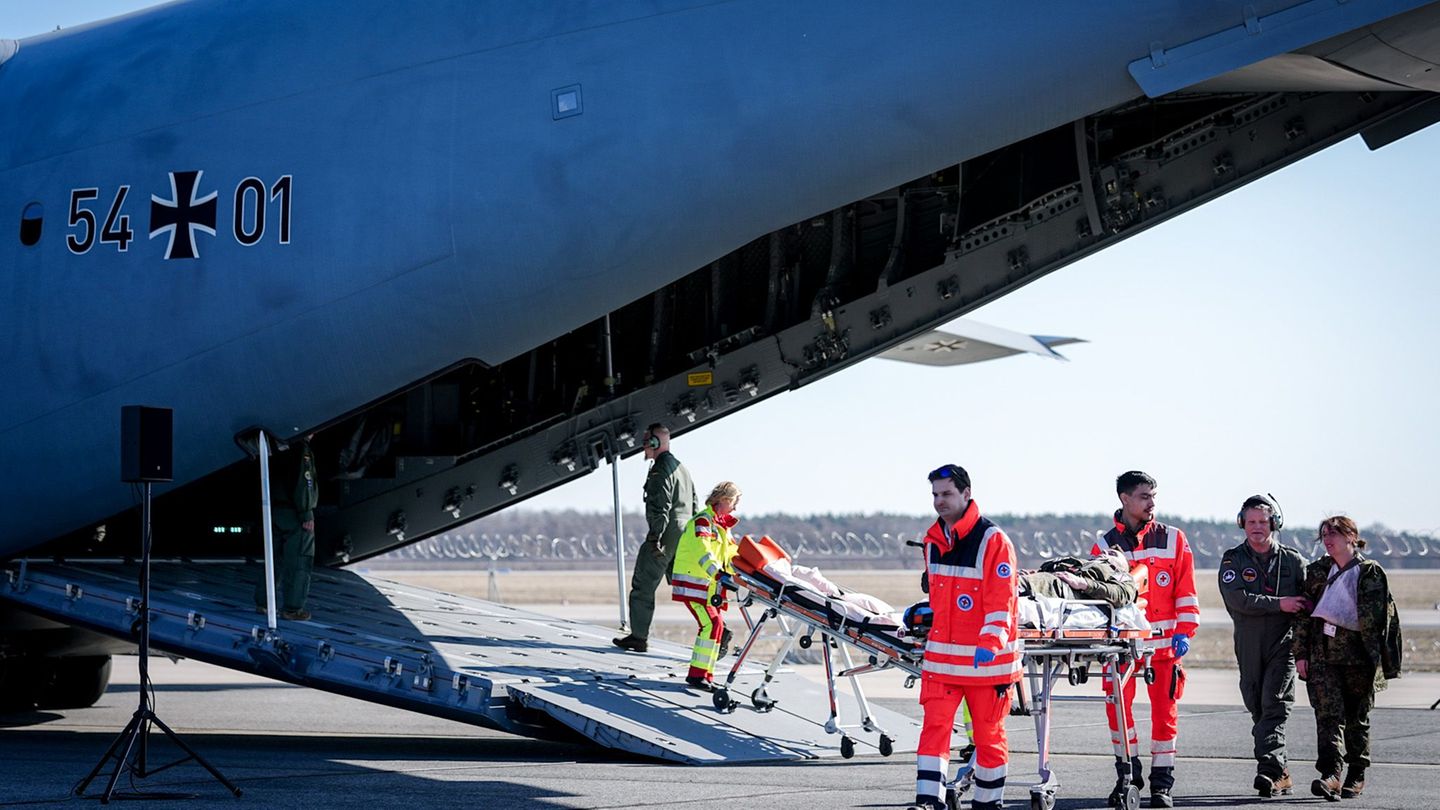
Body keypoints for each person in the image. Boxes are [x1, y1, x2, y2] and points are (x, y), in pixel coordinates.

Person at [907, 464, 1020, 810]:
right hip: (942, 662)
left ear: (966, 494)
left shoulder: (993, 540)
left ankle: (988, 803)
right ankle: (929, 802)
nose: (939, 502)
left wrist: (990, 642)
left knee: (988, 738)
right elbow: (941, 602)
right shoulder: (932, 541)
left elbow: (1002, 601)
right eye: (935, 495)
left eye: (947, 494)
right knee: (934, 732)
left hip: (987, 665)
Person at [1091, 471, 1198, 809]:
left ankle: (1162, 785)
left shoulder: (1174, 539)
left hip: (1165, 646)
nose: (1152, 503)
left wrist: (1185, 632)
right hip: (1121, 648)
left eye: (1154, 496)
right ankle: (1128, 775)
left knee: (1165, 714)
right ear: (1125, 499)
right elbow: (1099, 598)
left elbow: (1187, 593)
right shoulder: (1105, 545)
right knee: (1117, 712)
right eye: (1144, 496)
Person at [1294, 516, 1403, 802]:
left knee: (1357, 718)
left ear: (1351, 537)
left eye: (1335, 534)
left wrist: (1378, 663)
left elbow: (1376, 619)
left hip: (1358, 658)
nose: (1328, 540)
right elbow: (1304, 615)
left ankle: (1356, 773)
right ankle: (1331, 774)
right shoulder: (1317, 571)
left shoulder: (1370, 573)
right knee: (1328, 717)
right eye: (1324, 535)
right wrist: (1301, 654)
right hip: (1322, 657)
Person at [1218, 494, 1309, 798]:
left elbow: (1308, 605)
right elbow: (1237, 599)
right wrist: (1280, 603)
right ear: (1242, 524)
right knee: (1256, 704)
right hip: (1248, 643)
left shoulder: (1294, 562)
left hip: (1283, 644)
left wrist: (1305, 650)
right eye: (1251, 521)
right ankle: (1281, 771)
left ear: (1274, 523)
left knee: (1274, 705)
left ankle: (1268, 771)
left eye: (1263, 521)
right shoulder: (1233, 559)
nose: (1257, 527)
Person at [613, 423, 697, 654]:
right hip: (684, 532)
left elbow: (660, 505)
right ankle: (719, 630)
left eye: (646, 442)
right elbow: (694, 503)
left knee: (643, 584)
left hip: (667, 532)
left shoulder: (661, 468)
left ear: (654, 443)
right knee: (687, 587)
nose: (643, 447)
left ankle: (639, 637)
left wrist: (655, 537)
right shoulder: (682, 469)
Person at [670, 481, 741, 690]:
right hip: (695, 585)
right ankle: (697, 675)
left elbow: (730, 556)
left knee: (716, 627)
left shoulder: (722, 527)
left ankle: (705, 675)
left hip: (709, 588)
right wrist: (718, 574)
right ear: (725, 500)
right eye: (734, 502)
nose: (735, 508)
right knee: (712, 625)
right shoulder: (703, 521)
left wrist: (744, 574)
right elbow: (703, 551)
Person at [253, 434, 318, 621]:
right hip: (294, 513)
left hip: (276, 509)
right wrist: (306, 512)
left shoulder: (278, 446)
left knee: (274, 560)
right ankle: (292, 608)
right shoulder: (302, 452)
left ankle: (263, 602)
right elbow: (305, 483)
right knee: (299, 561)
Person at [1022, 547, 1138, 608]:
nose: (1104, 553)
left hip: (1063, 588)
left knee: (1019, 585)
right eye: (1104, 552)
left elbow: (1121, 594)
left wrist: (1083, 583)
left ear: (1122, 566)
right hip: (1051, 582)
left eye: (1112, 554)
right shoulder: (1083, 564)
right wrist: (1033, 573)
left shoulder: (1120, 574)